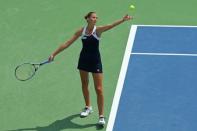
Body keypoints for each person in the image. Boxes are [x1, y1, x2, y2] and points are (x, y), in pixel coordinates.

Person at [48, 12, 132, 126]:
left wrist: (123, 20)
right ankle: (88, 107)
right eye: (93, 17)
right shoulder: (81, 31)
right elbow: (67, 43)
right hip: (83, 60)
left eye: (96, 17)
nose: (95, 19)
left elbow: (111, 25)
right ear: (87, 19)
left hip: (95, 62)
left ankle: (101, 116)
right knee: (84, 84)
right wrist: (54, 54)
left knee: (99, 89)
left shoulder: (98, 30)